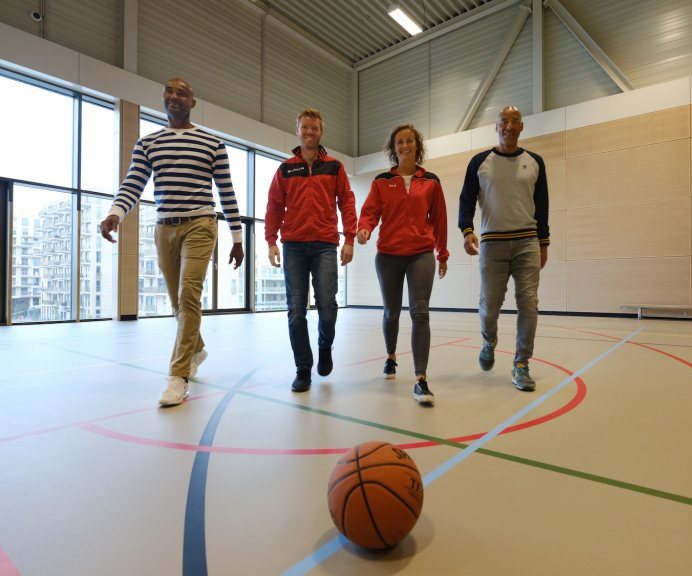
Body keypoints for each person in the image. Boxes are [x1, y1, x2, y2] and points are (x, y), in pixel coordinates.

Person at [101, 78, 244, 405]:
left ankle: (178, 376)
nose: (174, 96)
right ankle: (197, 349)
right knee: (178, 303)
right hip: (164, 227)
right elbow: (133, 184)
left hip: (201, 225)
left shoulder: (212, 143)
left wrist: (237, 237)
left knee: (188, 293)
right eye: (169, 91)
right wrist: (115, 214)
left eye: (182, 93)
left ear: (192, 103)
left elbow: (227, 191)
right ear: (163, 99)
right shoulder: (148, 143)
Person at [265, 109, 357, 393]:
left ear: (320, 132)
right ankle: (303, 368)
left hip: (325, 246)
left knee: (327, 306)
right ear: (297, 130)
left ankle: (324, 345)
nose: (309, 132)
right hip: (292, 246)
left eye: (314, 128)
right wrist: (270, 241)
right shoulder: (285, 168)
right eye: (305, 127)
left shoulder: (335, 167)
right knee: (296, 310)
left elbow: (347, 202)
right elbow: (274, 207)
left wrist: (349, 238)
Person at [458, 106, 549, 391]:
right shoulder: (479, 162)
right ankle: (489, 341)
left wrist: (543, 242)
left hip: (527, 243)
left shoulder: (535, 162)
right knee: (489, 305)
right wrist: (467, 230)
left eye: (514, 122)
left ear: (521, 127)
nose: (509, 126)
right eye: (503, 122)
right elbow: (466, 200)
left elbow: (542, 206)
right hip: (492, 245)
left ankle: (521, 364)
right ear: (496, 127)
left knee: (529, 304)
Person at [357, 124, 449, 404]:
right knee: (391, 312)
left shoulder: (431, 181)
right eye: (399, 142)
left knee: (420, 313)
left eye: (410, 141)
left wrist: (442, 253)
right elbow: (370, 212)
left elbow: (439, 220)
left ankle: (421, 379)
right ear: (393, 147)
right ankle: (390, 357)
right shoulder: (381, 181)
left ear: (417, 146)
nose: (405, 145)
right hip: (388, 255)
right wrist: (364, 228)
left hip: (421, 253)